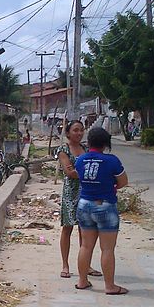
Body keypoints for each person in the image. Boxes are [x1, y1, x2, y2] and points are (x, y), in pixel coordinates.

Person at [74, 127, 129, 295]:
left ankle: (82, 281)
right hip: (105, 205)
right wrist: (111, 186)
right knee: (107, 249)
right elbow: (123, 182)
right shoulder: (112, 161)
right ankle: (110, 286)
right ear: (106, 143)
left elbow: (81, 178)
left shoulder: (80, 160)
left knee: (85, 246)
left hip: (84, 204)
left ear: (89, 142)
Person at [55, 121, 100, 279]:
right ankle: (65, 265)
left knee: (85, 230)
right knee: (67, 228)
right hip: (71, 193)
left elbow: (78, 170)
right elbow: (70, 173)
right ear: (68, 133)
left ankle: (85, 265)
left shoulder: (87, 149)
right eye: (75, 130)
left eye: (81, 130)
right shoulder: (63, 150)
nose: (79, 133)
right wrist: (89, 174)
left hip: (87, 192)